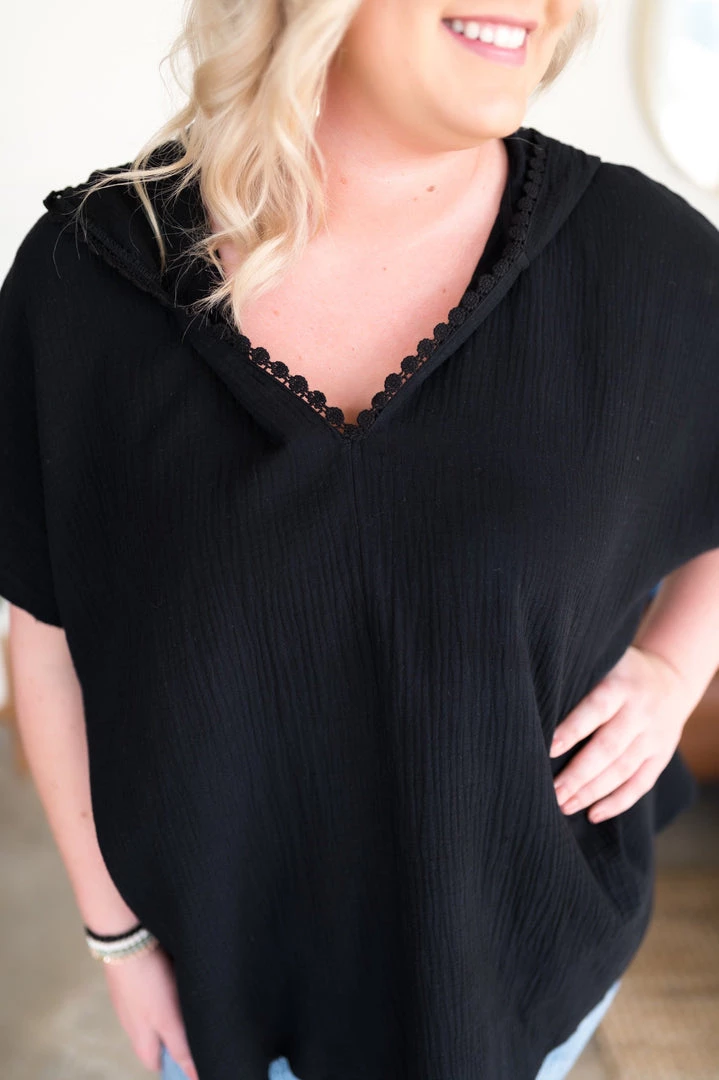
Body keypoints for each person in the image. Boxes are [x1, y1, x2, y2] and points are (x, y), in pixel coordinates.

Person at [2, 1, 719, 1078]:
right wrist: (120, 938)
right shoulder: (83, 286)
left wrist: (672, 666)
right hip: (219, 1006)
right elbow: (48, 633)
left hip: (527, 980)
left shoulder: (645, 264)